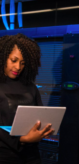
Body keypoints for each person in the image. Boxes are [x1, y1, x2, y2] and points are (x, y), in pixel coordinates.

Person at [0, 33, 54, 164]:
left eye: (22, 63)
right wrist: (22, 139)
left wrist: (43, 130)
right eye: (14, 60)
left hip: (31, 156)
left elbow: (40, 116)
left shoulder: (30, 87)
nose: (18, 67)